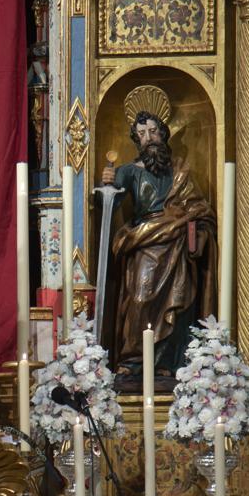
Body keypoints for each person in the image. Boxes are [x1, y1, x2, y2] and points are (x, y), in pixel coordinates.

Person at [97, 109, 217, 377]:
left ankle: (167, 362)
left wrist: (195, 232)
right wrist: (108, 185)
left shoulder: (181, 171)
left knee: (179, 300)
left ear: (163, 134)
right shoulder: (129, 171)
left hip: (176, 244)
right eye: (141, 134)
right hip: (145, 242)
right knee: (140, 298)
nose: (148, 138)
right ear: (136, 140)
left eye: (153, 131)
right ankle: (133, 360)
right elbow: (110, 204)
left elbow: (198, 208)